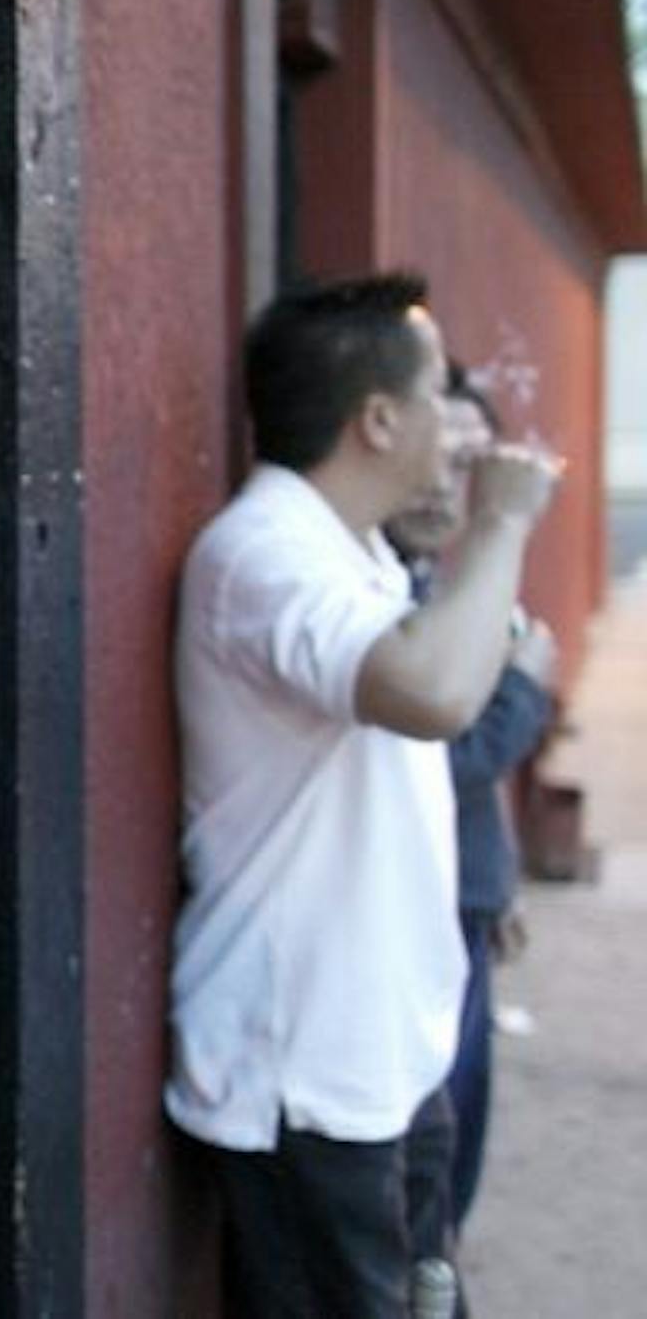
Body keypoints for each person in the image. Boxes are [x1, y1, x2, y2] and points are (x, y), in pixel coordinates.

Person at [167, 274, 560, 1317]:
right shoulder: (264, 554)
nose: (460, 427)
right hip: (305, 1070)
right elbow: (431, 692)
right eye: (439, 394)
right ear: (378, 418)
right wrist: (506, 525)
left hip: (388, 1047)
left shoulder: (356, 552)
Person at [383, 370, 558, 1233]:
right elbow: (443, 755)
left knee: (459, 1154)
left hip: (469, 903)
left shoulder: (462, 588)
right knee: (430, 1167)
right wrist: (523, 690)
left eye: (468, 461)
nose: (446, 481)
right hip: (413, 918)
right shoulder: (380, 592)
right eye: (439, 453)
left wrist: (503, 886)